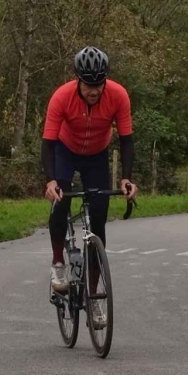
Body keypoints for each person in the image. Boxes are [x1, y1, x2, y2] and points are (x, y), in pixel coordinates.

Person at [43, 46, 138, 329]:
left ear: (105, 80)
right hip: (65, 149)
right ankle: (58, 264)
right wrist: (50, 181)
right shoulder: (61, 97)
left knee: (98, 218)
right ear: (78, 80)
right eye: (88, 84)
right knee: (60, 200)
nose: (94, 90)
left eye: (99, 84)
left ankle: (94, 296)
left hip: (97, 154)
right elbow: (47, 143)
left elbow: (127, 139)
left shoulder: (118, 95)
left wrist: (126, 178)